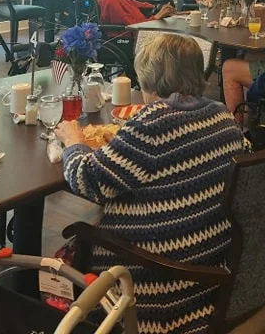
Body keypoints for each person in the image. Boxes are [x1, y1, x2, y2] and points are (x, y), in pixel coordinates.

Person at [55, 34, 246, 334]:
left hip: (157, 287)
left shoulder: (153, 123)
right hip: (210, 269)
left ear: (150, 80)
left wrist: (72, 141)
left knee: (76, 240)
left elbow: (87, 180)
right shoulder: (222, 116)